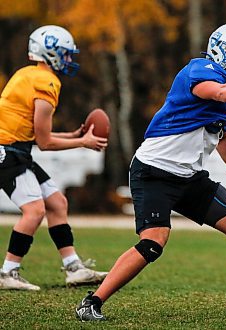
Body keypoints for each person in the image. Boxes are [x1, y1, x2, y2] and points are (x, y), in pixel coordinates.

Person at [75, 23, 226, 321]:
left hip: (188, 176)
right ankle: (92, 301)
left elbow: (222, 134)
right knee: (153, 243)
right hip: (154, 171)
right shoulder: (200, 69)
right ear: (218, 50)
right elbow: (215, 92)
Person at [0, 25, 109, 290]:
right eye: (65, 54)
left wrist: (72, 135)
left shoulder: (28, 74)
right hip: (7, 151)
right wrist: (82, 142)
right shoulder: (47, 82)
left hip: (17, 149)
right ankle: (8, 273)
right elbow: (45, 143)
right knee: (34, 210)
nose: (69, 60)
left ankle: (73, 267)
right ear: (49, 53)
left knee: (56, 203)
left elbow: (35, 133)